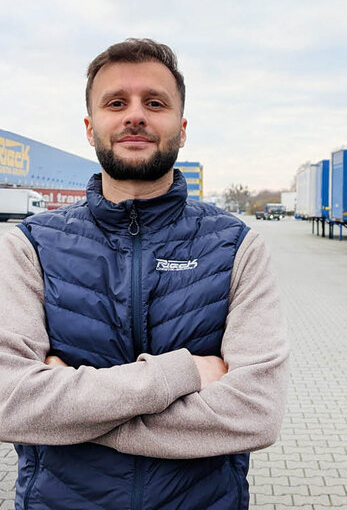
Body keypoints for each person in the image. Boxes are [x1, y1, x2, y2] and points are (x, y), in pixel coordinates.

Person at [0, 38, 289, 510]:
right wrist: (182, 373)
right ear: (91, 126)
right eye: (117, 103)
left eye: (155, 103)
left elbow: (255, 414)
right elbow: (9, 402)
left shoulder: (237, 246)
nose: (136, 115)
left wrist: (69, 410)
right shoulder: (29, 247)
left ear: (182, 127)